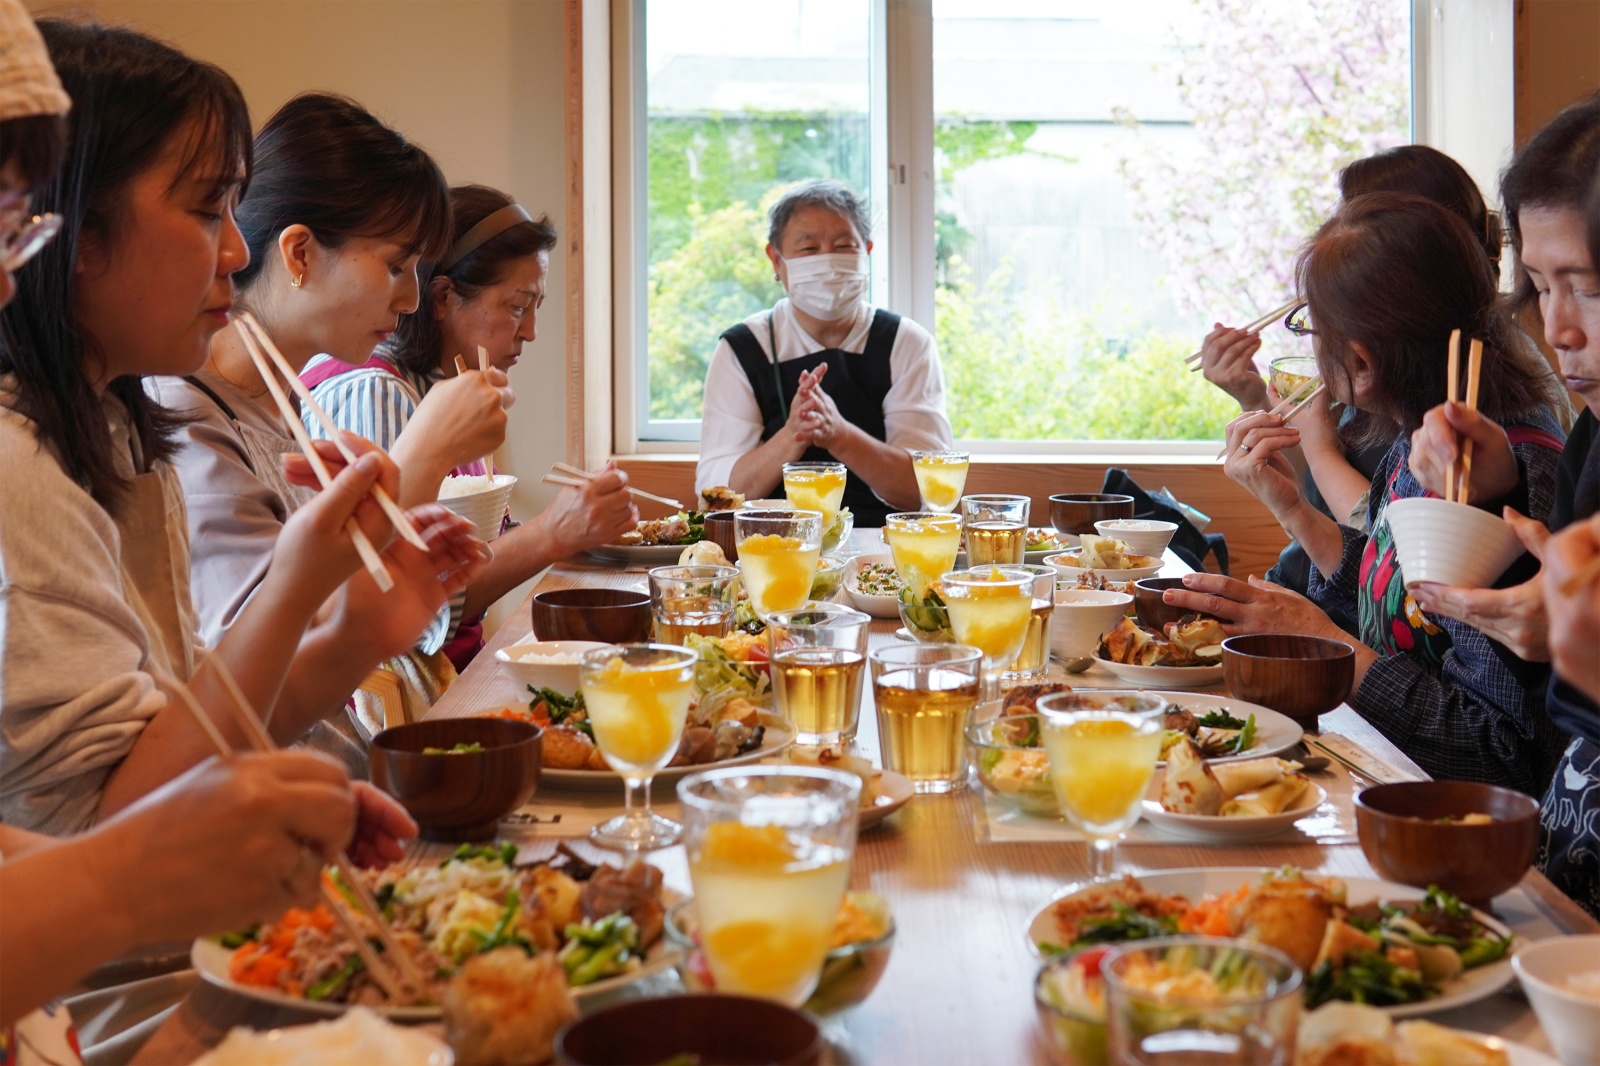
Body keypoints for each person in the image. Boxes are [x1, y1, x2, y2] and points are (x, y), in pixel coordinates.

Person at [0, 12, 418, 1059]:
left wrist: (347, 634)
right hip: (118, 995)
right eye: (205, 208)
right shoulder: (20, 464)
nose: (233, 248)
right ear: (75, 231)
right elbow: (109, 832)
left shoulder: (110, 425)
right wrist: (297, 584)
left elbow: (174, 734)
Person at [1167, 193, 1570, 796]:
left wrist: (1324, 643)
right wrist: (1292, 508)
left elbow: (1495, 751)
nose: (1310, 346)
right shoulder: (1423, 436)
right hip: (1379, 774)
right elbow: (1397, 604)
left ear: (1360, 361)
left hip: (1454, 828)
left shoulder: (1500, 473)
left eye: (1312, 329)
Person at [147, 93, 492, 750]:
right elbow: (253, 684)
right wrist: (419, 458)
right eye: (396, 264)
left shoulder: (286, 407)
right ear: (300, 252)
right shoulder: (186, 417)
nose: (413, 297)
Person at [302, 184, 637, 670]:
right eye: (518, 306)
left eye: (536, 307)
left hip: (456, 670)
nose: (531, 332)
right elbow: (408, 612)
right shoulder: (376, 392)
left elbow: (468, 549)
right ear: (442, 297)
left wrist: (579, 523)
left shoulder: (449, 385)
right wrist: (551, 533)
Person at [1404, 96, 1600, 916]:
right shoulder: (1594, 430)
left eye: (1588, 289)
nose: (1558, 330)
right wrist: (1498, 501)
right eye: (1542, 285)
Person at [1196, 147, 1508, 627]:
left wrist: (1315, 460)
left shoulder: (1471, 409)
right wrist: (1257, 402)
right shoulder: (1403, 403)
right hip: (1316, 591)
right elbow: (1378, 569)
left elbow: (1399, 583)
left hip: (1336, 620)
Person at [696, 179, 952, 526]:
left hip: (885, 553)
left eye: (844, 246)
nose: (828, 263)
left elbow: (928, 493)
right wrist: (793, 435)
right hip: (770, 549)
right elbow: (715, 498)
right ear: (776, 260)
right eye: (809, 249)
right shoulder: (743, 349)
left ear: (867, 253)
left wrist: (840, 436)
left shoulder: (907, 344)